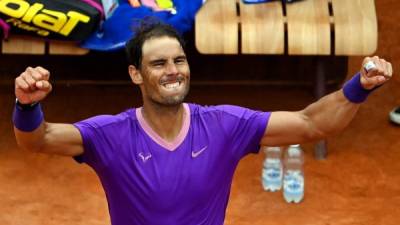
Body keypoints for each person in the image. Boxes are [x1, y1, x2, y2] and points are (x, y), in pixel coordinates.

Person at [12, 20, 393, 225]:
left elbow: (312, 124)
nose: (173, 71)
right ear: (135, 75)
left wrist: (358, 87)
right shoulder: (109, 135)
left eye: (179, 61)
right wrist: (26, 106)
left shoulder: (225, 125)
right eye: (159, 64)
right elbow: (38, 140)